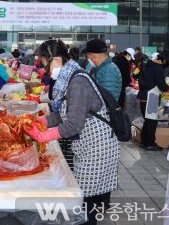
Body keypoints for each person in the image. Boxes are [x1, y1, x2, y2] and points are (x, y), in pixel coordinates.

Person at [26, 39, 121, 225]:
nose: (44, 69)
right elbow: (64, 115)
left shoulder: (77, 82)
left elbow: (74, 124)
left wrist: (44, 135)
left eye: (45, 63)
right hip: (88, 147)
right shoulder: (71, 77)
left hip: (97, 150)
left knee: (84, 205)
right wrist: (41, 122)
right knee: (81, 202)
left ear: (56, 59)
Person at [137, 49, 169, 151]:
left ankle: (144, 141)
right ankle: (150, 143)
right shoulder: (157, 68)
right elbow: (161, 85)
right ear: (164, 60)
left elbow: (138, 77)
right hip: (151, 97)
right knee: (152, 122)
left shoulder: (148, 65)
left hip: (143, 96)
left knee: (147, 121)